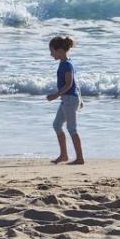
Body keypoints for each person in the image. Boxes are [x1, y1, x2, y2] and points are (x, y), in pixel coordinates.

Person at [46, 35, 85, 165]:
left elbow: (69, 84)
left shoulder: (67, 65)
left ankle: (80, 158)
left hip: (70, 100)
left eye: (52, 51)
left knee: (72, 129)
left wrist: (55, 95)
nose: (51, 54)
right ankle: (64, 155)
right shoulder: (64, 63)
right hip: (66, 99)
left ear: (60, 51)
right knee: (57, 125)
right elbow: (75, 84)